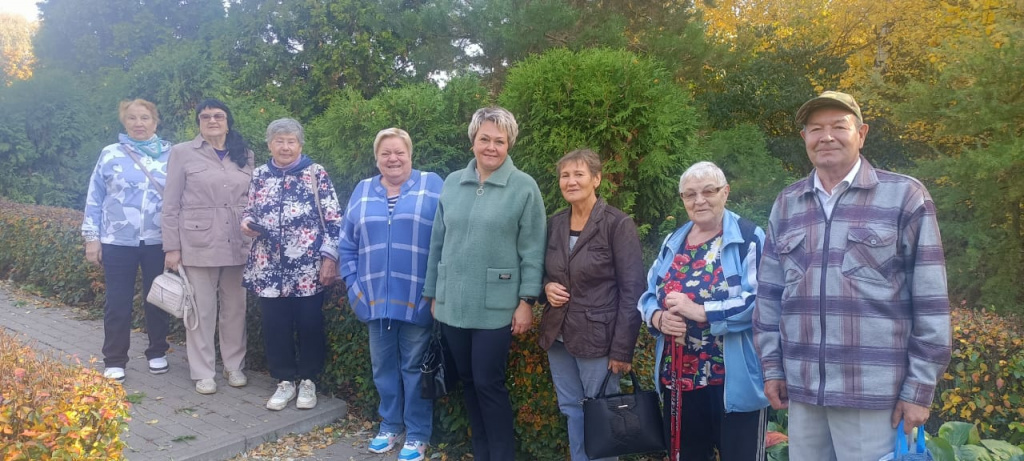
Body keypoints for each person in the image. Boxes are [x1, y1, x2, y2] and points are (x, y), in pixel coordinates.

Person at [753, 91, 951, 461]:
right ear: (804, 138)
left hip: (875, 396)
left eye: (838, 127)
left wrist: (919, 388)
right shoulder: (787, 204)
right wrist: (772, 368)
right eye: (816, 129)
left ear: (861, 133)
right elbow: (769, 297)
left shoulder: (904, 196)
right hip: (804, 393)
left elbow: (931, 302)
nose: (826, 136)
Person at [422, 106, 546, 461]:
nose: (491, 147)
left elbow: (533, 249)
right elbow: (437, 242)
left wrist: (526, 300)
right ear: (473, 141)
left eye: (499, 141)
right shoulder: (452, 183)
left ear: (509, 144)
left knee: (488, 383)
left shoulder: (524, 187)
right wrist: (433, 292)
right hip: (452, 303)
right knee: (467, 381)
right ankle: (482, 453)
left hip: (497, 306)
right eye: (484, 139)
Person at [638, 161, 770, 461]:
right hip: (680, 380)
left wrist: (701, 311)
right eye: (690, 194)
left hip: (732, 380)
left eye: (708, 191)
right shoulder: (674, 241)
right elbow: (648, 295)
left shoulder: (748, 238)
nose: (699, 200)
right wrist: (659, 318)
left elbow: (761, 299)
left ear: (725, 192)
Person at [338, 128, 443, 461]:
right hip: (373, 300)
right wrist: (353, 285)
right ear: (377, 158)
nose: (393, 158)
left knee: (414, 369)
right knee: (383, 368)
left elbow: (447, 239)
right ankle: (390, 426)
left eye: (399, 152)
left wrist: (435, 291)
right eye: (386, 153)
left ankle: (418, 434)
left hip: (417, 297)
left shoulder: (432, 185)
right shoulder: (363, 190)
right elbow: (346, 244)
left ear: (410, 154)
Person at [538, 149, 645, 461]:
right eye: (565, 175)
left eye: (579, 174)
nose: (571, 181)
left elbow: (633, 290)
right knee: (572, 409)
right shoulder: (555, 223)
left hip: (598, 340)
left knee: (601, 413)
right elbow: (543, 270)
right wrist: (546, 287)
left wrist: (622, 350)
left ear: (596, 179)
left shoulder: (617, 224)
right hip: (559, 336)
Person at [241, 118, 341, 411]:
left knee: (310, 324)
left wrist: (329, 258)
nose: (285, 147)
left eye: (291, 141)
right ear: (269, 144)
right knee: (275, 325)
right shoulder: (260, 174)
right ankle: (284, 381)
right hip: (268, 267)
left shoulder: (315, 173)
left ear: (300, 144)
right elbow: (249, 209)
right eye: (279, 141)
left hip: (308, 267)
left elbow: (334, 219)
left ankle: (308, 380)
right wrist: (247, 222)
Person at [162, 98, 254, 395]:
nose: (212, 120)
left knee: (235, 309)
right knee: (201, 311)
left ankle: (233, 366)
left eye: (218, 116)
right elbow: (170, 203)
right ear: (199, 123)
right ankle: (203, 372)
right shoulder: (182, 153)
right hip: (198, 243)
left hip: (238, 243)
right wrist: (172, 247)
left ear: (228, 121)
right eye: (205, 117)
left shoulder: (245, 154)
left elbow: (253, 200)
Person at [82, 98, 172, 383]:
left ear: (155, 122)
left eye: (144, 118)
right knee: (117, 301)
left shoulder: (171, 155)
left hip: (158, 240)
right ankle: (115, 359)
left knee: (158, 298)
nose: (138, 123)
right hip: (117, 240)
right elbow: (95, 197)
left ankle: (157, 351)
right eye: (132, 118)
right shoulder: (110, 154)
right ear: (124, 122)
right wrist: (92, 238)